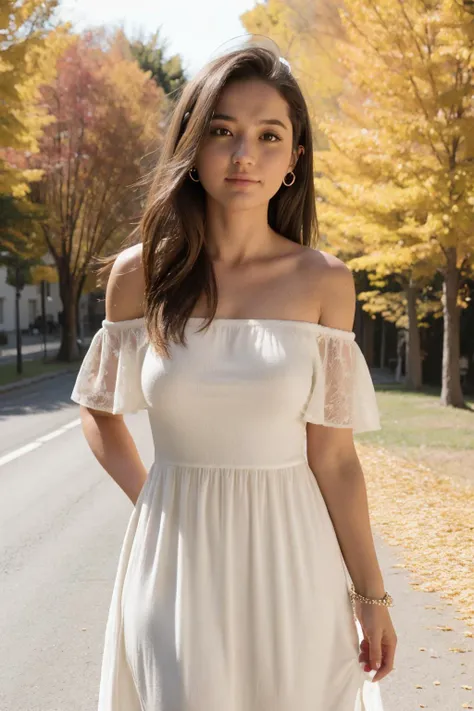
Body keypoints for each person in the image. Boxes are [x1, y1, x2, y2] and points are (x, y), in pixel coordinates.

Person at [71, 37, 396, 711]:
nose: (244, 155)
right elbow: (99, 409)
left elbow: (334, 459)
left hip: (294, 558)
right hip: (175, 563)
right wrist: (153, 501)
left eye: (267, 135)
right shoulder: (140, 275)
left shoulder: (325, 283)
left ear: (293, 159)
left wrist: (371, 595)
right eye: (222, 131)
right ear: (194, 146)